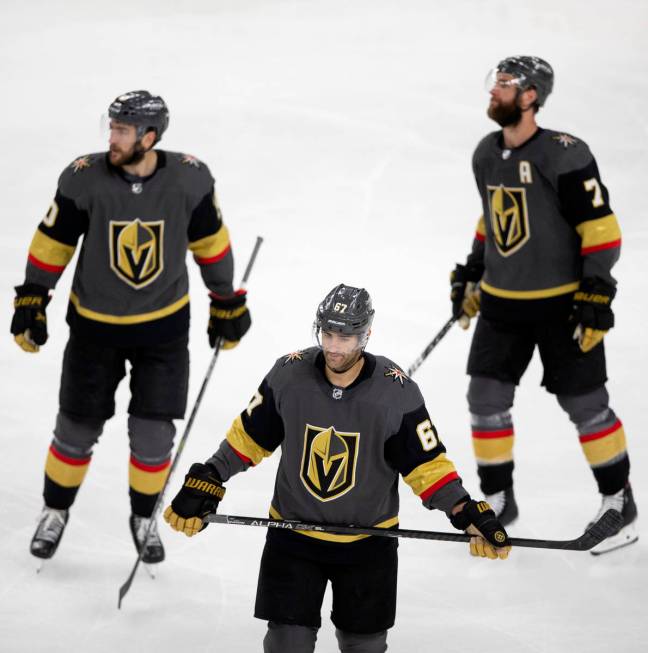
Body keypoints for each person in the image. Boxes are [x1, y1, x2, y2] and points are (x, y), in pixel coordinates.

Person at [164, 283, 510, 653]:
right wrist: (212, 475)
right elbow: (248, 437)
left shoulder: (397, 392)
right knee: (285, 645)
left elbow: (427, 467)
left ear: (366, 335)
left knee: (365, 646)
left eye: (345, 337)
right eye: (328, 334)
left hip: (368, 543)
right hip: (292, 535)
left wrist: (465, 511)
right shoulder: (288, 375)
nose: (333, 346)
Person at [11, 90, 251, 563]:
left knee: (154, 434)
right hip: (93, 329)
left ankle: (144, 516)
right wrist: (34, 296)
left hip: (162, 330)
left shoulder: (190, 178)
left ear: (150, 136)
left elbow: (211, 243)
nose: (112, 138)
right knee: (76, 428)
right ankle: (54, 510)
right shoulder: (85, 179)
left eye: (122, 130)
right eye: (113, 128)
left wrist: (225, 300)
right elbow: (53, 240)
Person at [450, 56, 637, 554]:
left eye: (506, 85)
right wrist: (472, 272)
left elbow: (601, 229)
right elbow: (492, 220)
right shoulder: (486, 153)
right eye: (495, 82)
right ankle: (497, 499)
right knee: (485, 401)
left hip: (561, 306)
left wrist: (597, 291)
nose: (495, 92)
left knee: (586, 405)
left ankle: (619, 501)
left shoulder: (564, 154)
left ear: (531, 96)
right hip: (502, 305)